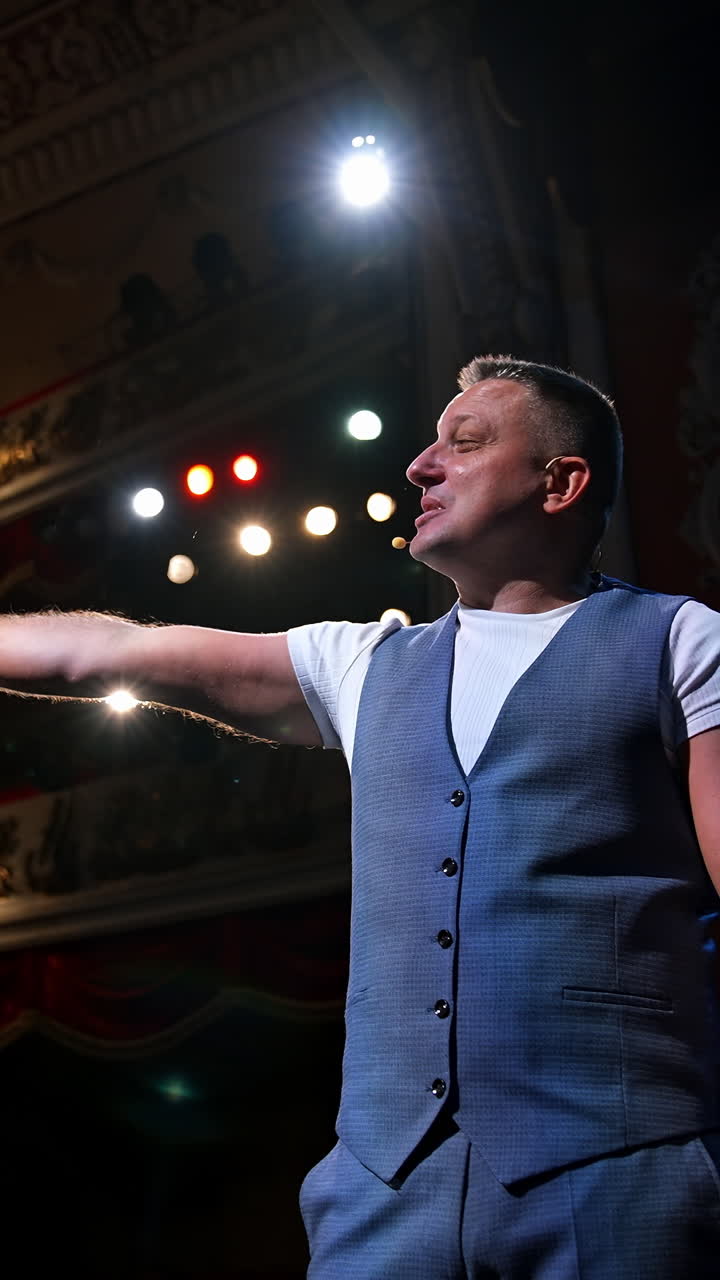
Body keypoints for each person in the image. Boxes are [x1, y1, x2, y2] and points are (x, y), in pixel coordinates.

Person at [2, 355, 720, 1278]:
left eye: (465, 442)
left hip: (619, 1171)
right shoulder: (361, 664)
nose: (422, 465)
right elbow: (106, 651)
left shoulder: (680, 639)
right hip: (386, 1189)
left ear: (561, 483)